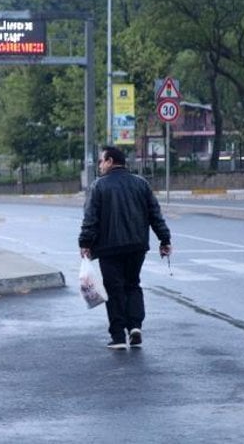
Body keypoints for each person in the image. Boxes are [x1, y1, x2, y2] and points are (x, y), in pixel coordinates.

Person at [78, 145, 172, 350]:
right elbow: (155, 215)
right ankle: (135, 327)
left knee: (114, 289)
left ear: (110, 161)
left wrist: (85, 243)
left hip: (109, 248)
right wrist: (164, 240)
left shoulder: (98, 186)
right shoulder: (141, 184)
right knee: (133, 284)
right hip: (137, 246)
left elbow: (90, 219)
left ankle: (119, 336)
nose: (100, 165)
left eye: (102, 161)